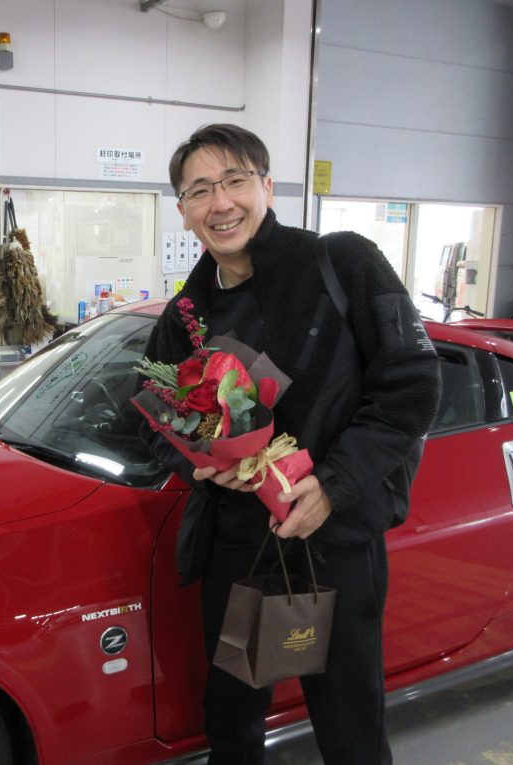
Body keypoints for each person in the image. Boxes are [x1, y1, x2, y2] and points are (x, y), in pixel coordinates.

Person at [143, 124, 441, 764]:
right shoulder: (186, 316)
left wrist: (333, 486)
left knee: (350, 727)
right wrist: (200, 465)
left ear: (267, 187)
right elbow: (159, 416)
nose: (220, 202)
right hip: (238, 544)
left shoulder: (342, 264)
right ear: (183, 211)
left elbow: (412, 387)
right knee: (232, 720)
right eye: (200, 190)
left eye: (234, 181)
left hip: (334, 538)